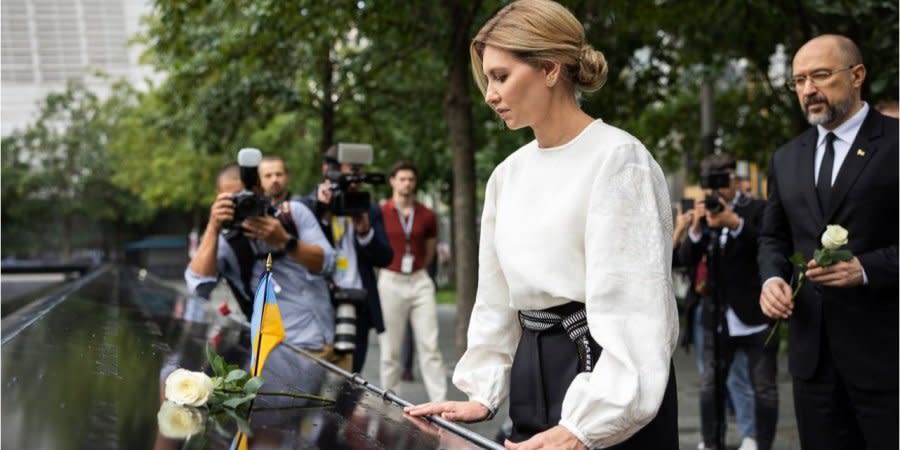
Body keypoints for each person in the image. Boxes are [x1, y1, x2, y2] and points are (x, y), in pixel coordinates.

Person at [405, 1, 678, 448]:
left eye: (500, 76)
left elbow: (638, 310)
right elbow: (496, 300)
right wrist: (484, 390)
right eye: (487, 79)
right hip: (534, 367)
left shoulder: (618, 159)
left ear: (550, 69)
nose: (489, 94)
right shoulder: (507, 175)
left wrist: (585, 426)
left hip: (603, 370)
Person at [758, 34, 898, 450]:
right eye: (798, 80)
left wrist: (868, 268)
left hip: (886, 359)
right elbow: (772, 236)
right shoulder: (787, 157)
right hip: (811, 363)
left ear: (857, 76)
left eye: (820, 75)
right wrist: (771, 281)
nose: (807, 90)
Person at [184, 163, 347, 368]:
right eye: (234, 199)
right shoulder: (226, 241)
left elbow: (328, 263)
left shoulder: (293, 214)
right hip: (281, 353)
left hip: (328, 340)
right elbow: (199, 286)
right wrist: (213, 226)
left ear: (260, 189)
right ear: (219, 197)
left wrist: (285, 241)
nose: (243, 204)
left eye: (247, 196)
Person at [679, 154, 776, 450]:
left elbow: (766, 246)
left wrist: (734, 223)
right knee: (710, 383)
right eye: (712, 183)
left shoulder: (757, 209)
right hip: (716, 313)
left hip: (755, 313)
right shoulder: (704, 214)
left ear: (734, 179)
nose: (718, 190)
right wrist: (695, 230)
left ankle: (759, 441)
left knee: (764, 387)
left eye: (723, 179)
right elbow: (685, 262)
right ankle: (710, 441)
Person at [299, 146, 393, 373]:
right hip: (320, 303)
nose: (354, 180)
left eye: (360, 172)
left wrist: (364, 232)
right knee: (315, 375)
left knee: (351, 378)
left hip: (358, 303)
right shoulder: (307, 206)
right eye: (350, 171)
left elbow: (386, 257)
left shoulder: (368, 208)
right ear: (329, 170)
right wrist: (322, 212)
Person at [378, 160, 447, 402]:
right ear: (393, 181)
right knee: (390, 350)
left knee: (430, 345)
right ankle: (390, 403)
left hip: (418, 280)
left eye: (411, 179)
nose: (407, 183)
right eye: (402, 179)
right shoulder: (381, 211)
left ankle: (440, 405)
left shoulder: (427, 215)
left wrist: (419, 268)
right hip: (391, 279)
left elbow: (429, 250)